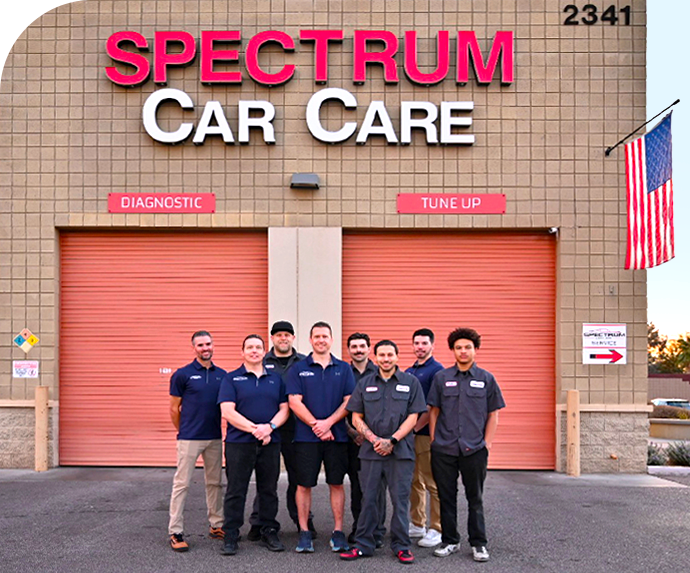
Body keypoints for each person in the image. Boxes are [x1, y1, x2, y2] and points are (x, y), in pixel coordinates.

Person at [339, 340, 427, 564]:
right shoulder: (365, 383)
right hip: (370, 452)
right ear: (375, 357)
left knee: (400, 500)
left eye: (390, 354)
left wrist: (393, 440)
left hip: (401, 452)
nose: (386, 359)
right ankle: (363, 544)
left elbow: (413, 417)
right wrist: (374, 439)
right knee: (368, 499)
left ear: (397, 356)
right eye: (382, 355)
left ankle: (401, 546)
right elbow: (355, 416)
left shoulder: (411, 382)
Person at [428, 328, 505, 562]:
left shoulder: (486, 379)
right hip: (445, 448)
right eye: (459, 347)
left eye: (467, 347)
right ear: (453, 350)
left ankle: (479, 543)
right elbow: (434, 411)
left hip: (474, 449)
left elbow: (493, 414)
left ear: (475, 350)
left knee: (476, 497)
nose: (463, 351)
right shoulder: (442, 378)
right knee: (446, 496)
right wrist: (434, 440)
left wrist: (487, 443)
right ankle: (450, 540)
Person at [286, 321, 356, 553]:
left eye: (325, 336)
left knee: (336, 482)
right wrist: (316, 425)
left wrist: (328, 424)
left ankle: (338, 532)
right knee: (303, 484)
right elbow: (294, 401)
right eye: (316, 336)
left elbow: (349, 401)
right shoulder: (298, 368)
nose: (321, 340)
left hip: (336, 438)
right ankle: (304, 533)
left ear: (331, 340)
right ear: (310, 340)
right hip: (307, 438)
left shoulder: (344, 368)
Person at [217, 334, 290, 555]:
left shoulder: (276, 379)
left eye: (258, 347)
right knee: (236, 490)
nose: (254, 351)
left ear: (264, 351)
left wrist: (270, 428)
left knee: (268, 489)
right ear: (242, 352)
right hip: (239, 444)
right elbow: (227, 411)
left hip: (270, 442)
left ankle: (268, 529)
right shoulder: (231, 379)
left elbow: (284, 409)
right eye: (249, 347)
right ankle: (231, 533)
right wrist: (256, 430)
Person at [246, 320, 314, 541]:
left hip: (298, 430)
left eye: (287, 334)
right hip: (270, 430)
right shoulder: (262, 361)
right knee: (268, 479)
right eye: (278, 335)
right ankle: (260, 522)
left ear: (293, 338)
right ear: (272, 338)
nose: (283, 338)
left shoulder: (304, 362)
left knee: (298, 477)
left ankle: (302, 520)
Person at [168, 330, 227, 552]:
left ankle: (216, 525)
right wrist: (183, 430)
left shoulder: (222, 375)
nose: (205, 348)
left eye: (208, 344)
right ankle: (175, 531)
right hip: (189, 438)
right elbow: (174, 409)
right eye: (200, 345)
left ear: (213, 346)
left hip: (214, 437)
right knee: (182, 484)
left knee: (214, 483)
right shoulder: (182, 375)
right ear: (194, 348)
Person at [345, 332, 386, 547]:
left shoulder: (381, 372)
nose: (358, 350)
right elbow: (341, 407)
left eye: (362, 346)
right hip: (353, 441)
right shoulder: (344, 373)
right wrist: (354, 433)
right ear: (349, 350)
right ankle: (359, 527)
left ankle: (378, 530)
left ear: (369, 349)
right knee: (357, 486)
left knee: (377, 487)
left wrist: (373, 437)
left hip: (377, 441)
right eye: (354, 347)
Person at [405, 328, 444, 548]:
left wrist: (413, 429)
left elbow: (431, 408)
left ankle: (437, 528)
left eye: (424, 343)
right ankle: (418, 523)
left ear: (432, 345)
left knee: (432, 482)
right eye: (416, 343)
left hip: (425, 436)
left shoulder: (436, 371)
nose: (420, 347)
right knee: (414, 481)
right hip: (410, 435)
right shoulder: (410, 370)